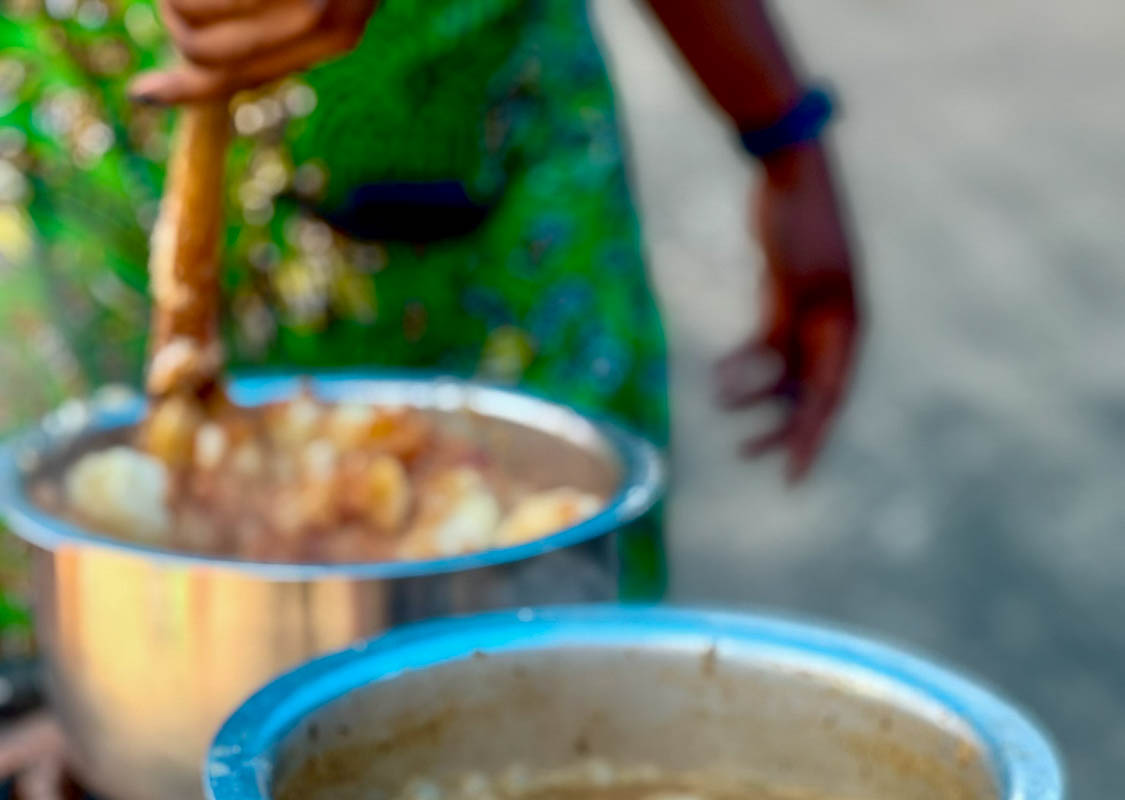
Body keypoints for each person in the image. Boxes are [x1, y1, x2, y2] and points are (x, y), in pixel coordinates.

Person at [0, 0, 860, 600]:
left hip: (472, 148)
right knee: (84, 600)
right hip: (68, 154)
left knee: (539, 652)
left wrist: (778, 128)